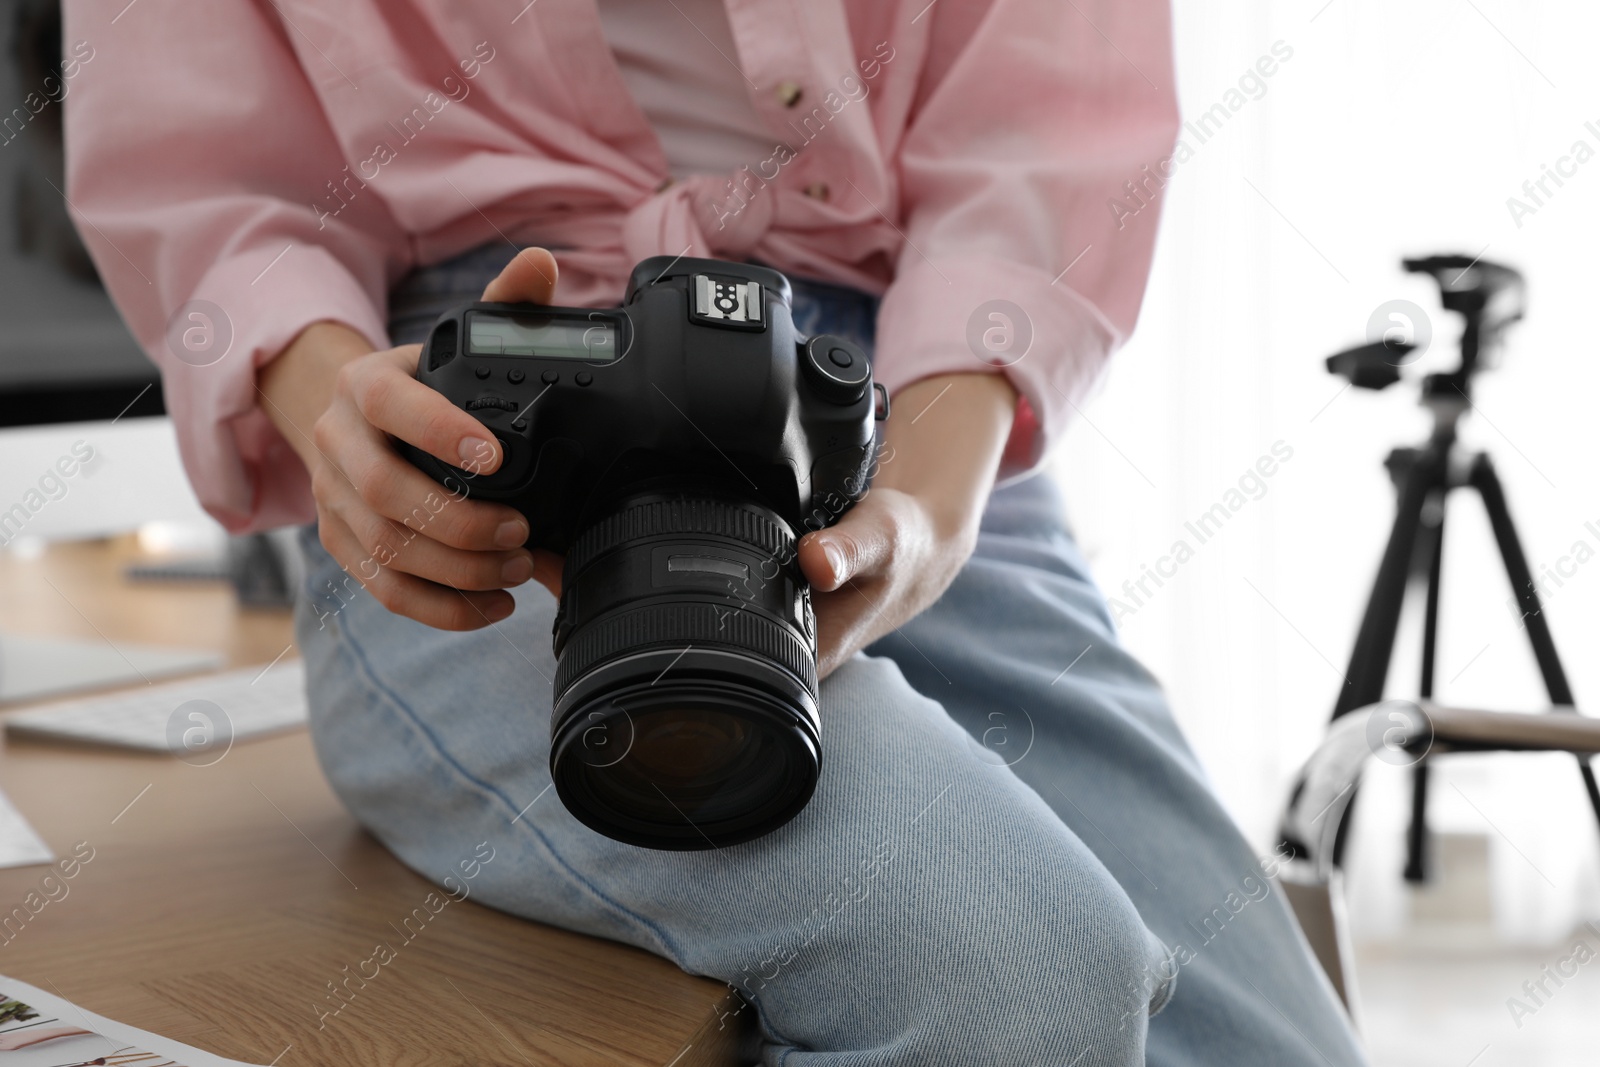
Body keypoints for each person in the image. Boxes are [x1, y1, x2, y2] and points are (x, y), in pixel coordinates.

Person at [64, 1, 1365, 1063]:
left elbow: (1051, 117)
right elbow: (211, 180)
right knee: (1011, 977)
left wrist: (925, 503)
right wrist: (354, 426)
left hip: (922, 377)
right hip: (494, 388)